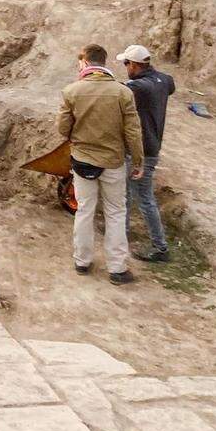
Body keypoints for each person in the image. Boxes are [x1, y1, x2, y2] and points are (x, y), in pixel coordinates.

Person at [57, 43, 144, 284]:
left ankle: (82, 261)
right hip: (113, 162)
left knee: (84, 210)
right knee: (115, 212)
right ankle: (117, 269)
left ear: (85, 63)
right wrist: (138, 160)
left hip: (83, 161)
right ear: (104, 63)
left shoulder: (72, 91)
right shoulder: (123, 92)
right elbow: (133, 132)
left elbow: (62, 129)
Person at [118, 44, 175, 263]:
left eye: (126, 64)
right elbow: (170, 85)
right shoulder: (164, 80)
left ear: (134, 65)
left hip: (141, 149)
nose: (125, 68)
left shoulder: (139, 86)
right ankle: (121, 235)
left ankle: (160, 248)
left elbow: (117, 92)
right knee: (131, 194)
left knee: (142, 197)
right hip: (152, 145)